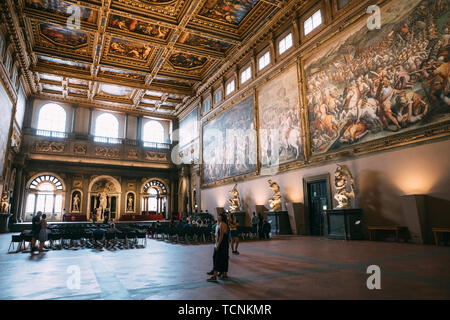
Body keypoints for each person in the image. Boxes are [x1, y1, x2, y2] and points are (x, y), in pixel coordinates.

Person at [207, 213, 229, 282]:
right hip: (219, 243)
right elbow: (218, 235)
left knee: (218, 258)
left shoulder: (222, 224)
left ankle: (214, 276)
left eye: (219, 216)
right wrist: (214, 235)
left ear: (222, 217)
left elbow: (222, 236)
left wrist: (218, 245)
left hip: (222, 244)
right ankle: (223, 273)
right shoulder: (218, 223)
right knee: (220, 258)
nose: (218, 216)